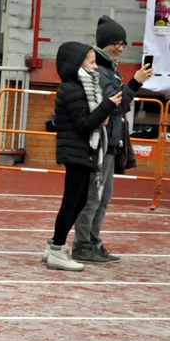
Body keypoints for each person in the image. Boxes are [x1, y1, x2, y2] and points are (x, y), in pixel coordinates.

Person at [71, 16, 153, 264]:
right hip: (100, 143)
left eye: (123, 43)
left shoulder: (110, 70)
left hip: (109, 142)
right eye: (115, 43)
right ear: (103, 44)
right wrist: (135, 83)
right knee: (94, 197)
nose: (119, 48)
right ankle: (82, 244)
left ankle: (92, 242)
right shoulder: (102, 72)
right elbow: (114, 105)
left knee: (102, 198)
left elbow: (117, 105)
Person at [43, 41, 121, 271]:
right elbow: (84, 123)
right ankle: (57, 248)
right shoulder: (73, 89)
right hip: (76, 150)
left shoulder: (82, 86)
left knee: (79, 200)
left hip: (81, 150)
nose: (95, 67)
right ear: (77, 64)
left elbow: (88, 119)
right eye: (91, 62)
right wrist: (106, 106)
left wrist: (102, 112)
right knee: (72, 201)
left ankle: (54, 245)